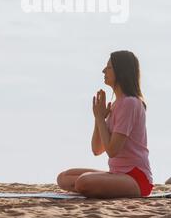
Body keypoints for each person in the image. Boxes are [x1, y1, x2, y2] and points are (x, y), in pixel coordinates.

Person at [56, 50, 154, 198]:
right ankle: (96, 186)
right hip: (117, 174)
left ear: (120, 72)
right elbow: (97, 149)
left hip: (136, 178)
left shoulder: (130, 103)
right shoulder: (116, 104)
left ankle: (92, 186)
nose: (103, 70)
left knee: (83, 182)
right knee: (63, 177)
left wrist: (102, 120)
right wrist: (98, 118)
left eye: (108, 67)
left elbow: (112, 150)